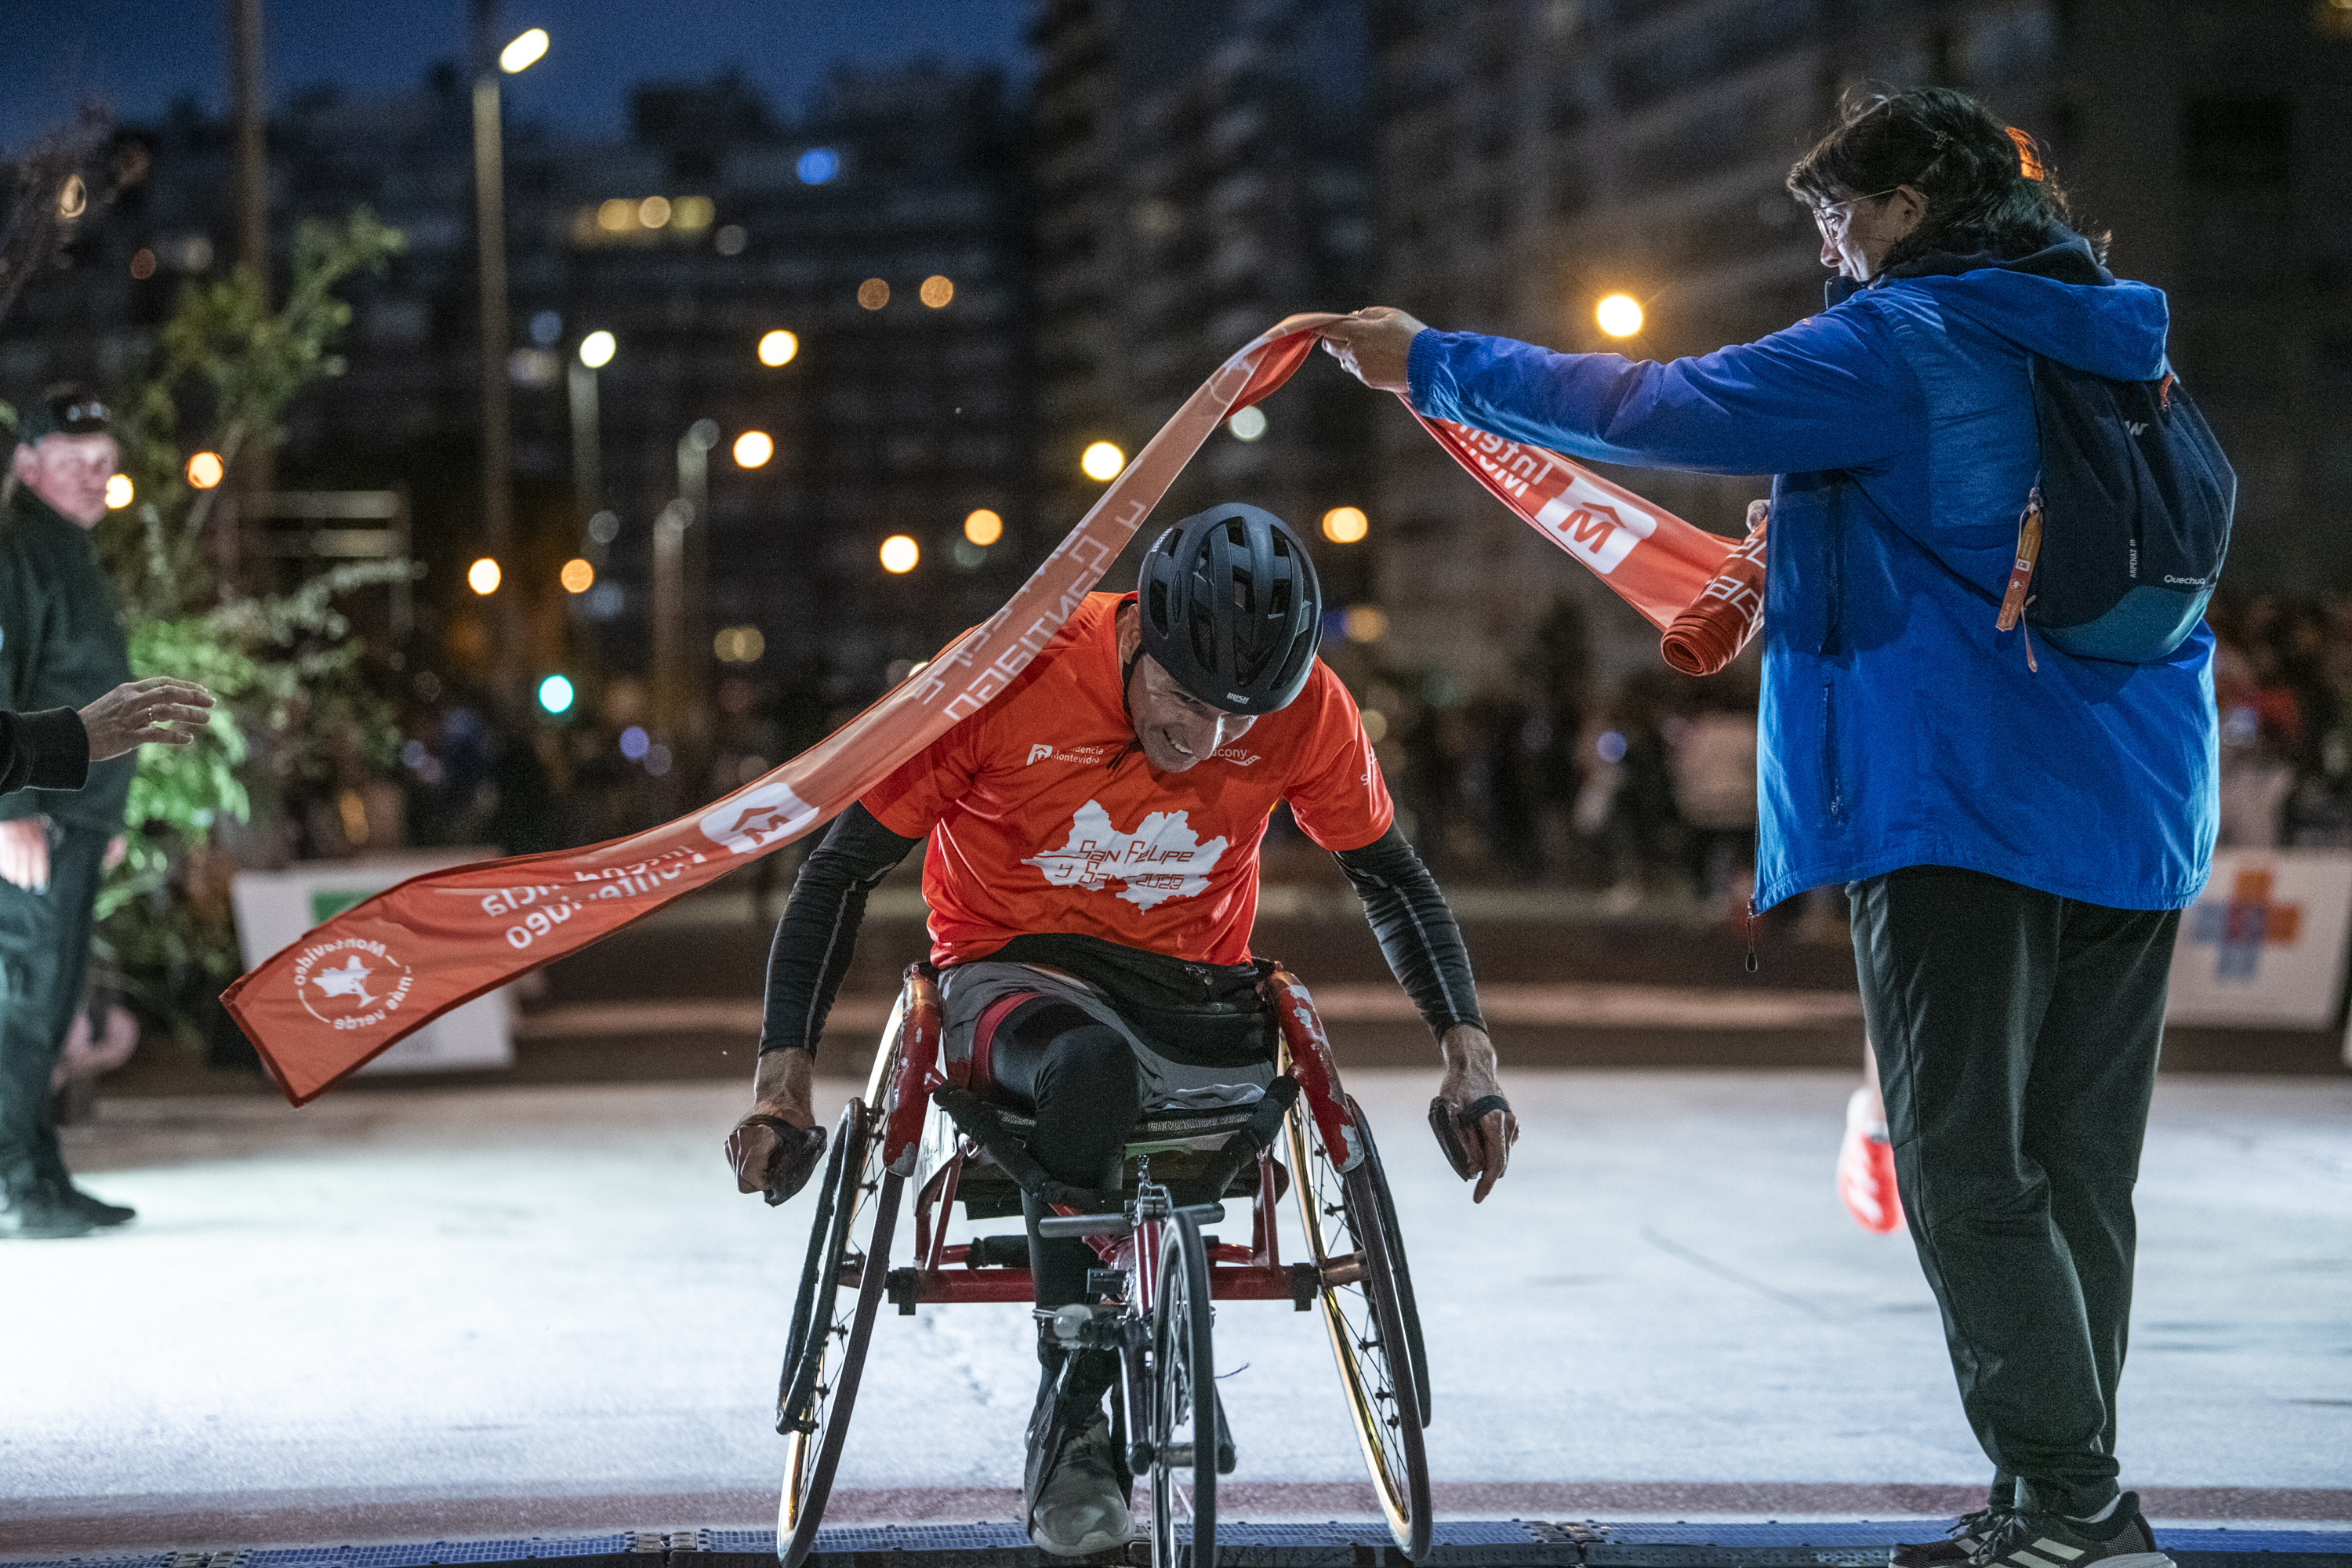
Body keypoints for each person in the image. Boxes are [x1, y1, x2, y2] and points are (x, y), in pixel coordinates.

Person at [1320, 86, 2207, 1568]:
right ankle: (2060, 1498)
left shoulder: (1905, 338)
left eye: (1839, 214)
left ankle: (2073, 1505)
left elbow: (1654, 405)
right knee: (2074, 1172)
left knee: (1964, 1167)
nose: (1832, 245)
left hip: (1960, 800)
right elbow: (2007, 523)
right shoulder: (2120, 345)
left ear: (1909, 210)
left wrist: (1432, 365)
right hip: (2134, 798)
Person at [727, 503, 1518, 1556]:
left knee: (1226, 1059)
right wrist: (784, 1083)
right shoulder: (1004, 673)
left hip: (1191, 992)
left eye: (1244, 716)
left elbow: (1394, 883)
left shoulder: (1304, 708)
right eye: (1188, 701)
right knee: (1086, 1064)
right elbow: (837, 871)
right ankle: (1074, 1420)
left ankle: (1159, 1332)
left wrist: (1471, 1060)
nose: (1210, 741)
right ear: (1137, 629)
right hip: (1013, 978)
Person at [0, 386, 212, 1241]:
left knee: (47, 1005)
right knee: (23, 1001)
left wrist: (107, 814)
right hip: (34, 820)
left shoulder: (64, 548)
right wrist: (9, 810)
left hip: (73, 815)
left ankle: (40, 1166)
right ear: (27, 463)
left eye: (107, 466)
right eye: (78, 462)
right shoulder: (19, 549)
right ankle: (18, 1180)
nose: (97, 478)